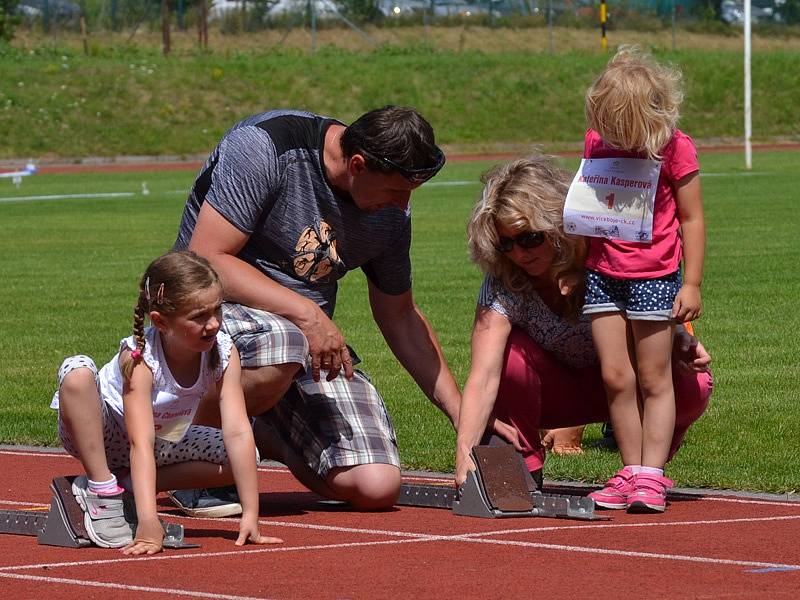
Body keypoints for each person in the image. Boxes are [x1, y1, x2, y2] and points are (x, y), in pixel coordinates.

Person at [172, 106, 461, 514]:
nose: (403, 205)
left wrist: (464, 418)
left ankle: (261, 431)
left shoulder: (392, 215)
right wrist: (307, 315)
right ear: (357, 164)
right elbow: (207, 259)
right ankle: (193, 450)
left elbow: (399, 315)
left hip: (295, 347)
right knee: (283, 337)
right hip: (205, 322)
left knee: (375, 486)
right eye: (396, 191)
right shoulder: (265, 148)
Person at [454, 154, 712, 506]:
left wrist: (679, 338)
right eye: (505, 244)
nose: (518, 254)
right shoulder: (503, 281)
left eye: (530, 238)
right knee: (509, 354)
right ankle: (524, 464)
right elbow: (482, 376)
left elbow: (647, 304)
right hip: (557, 393)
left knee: (693, 383)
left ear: (556, 224)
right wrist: (464, 455)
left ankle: (644, 471)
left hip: (624, 382)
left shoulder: (604, 256)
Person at [51, 251, 282, 553]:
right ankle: (101, 489)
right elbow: (139, 443)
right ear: (160, 322)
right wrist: (149, 523)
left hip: (163, 440)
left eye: (217, 310)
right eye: (199, 316)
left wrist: (251, 515)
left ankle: (129, 486)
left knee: (245, 454)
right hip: (103, 433)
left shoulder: (224, 352)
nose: (213, 324)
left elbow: (237, 431)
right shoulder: (139, 359)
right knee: (77, 372)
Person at [577, 47, 706, 513]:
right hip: (602, 273)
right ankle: (629, 470)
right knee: (615, 375)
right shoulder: (596, 142)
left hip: (654, 274)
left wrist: (690, 284)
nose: (611, 135)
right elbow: (589, 206)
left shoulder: (675, 146)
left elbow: (692, 219)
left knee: (654, 376)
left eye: (618, 124)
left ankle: (652, 474)